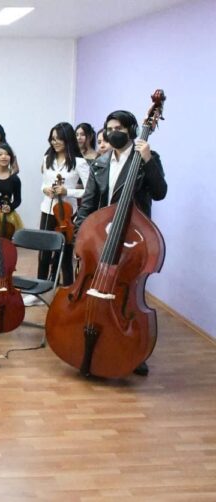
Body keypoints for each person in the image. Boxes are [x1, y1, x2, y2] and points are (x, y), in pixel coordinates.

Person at [74, 110, 167, 377]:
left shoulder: (147, 158)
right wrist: (81, 237)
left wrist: (148, 160)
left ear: (132, 130)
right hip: (101, 237)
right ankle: (89, 336)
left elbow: (160, 192)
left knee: (128, 293)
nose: (113, 131)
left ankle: (134, 351)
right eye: (109, 126)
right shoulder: (101, 163)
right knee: (94, 288)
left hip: (131, 240)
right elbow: (89, 203)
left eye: (119, 127)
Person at [29, 123, 90, 306]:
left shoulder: (79, 162)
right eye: (52, 138)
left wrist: (68, 191)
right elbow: (43, 184)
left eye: (58, 138)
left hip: (67, 214)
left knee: (65, 253)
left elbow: (89, 191)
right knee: (44, 253)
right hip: (47, 210)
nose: (54, 142)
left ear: (67, 139)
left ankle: (68, 291)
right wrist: (46, 189)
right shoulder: (48, 158)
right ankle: (38, 293)